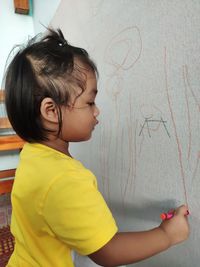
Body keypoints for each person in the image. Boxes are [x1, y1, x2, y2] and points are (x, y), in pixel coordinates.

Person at [4, 28, 189, 267]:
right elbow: (107, 251)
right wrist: (166, 234)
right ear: (51, 111)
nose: (97, 110)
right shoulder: (65, 179)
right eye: (89, 102)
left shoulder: (33, 154)